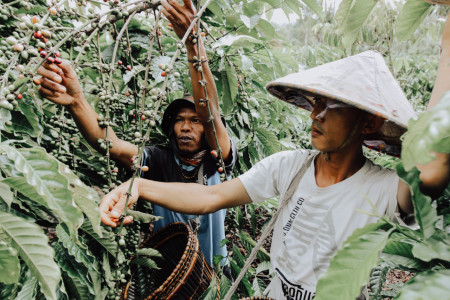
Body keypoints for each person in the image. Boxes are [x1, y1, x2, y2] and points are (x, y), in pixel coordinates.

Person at [100, 12, 450, 299]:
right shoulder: (290, 166)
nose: (316, 115)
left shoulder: (385, 189)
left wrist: (448, 45)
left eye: (330, 106)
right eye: (315, 105)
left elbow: (432, 167)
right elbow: (211, 196)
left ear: (368, 120)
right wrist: (138, 187)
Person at [37, 0, 236, 266]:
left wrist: (193, 45)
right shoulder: (158, 159)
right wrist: (76, 102)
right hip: (169, 272)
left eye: (194, 121)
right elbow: (111, 145)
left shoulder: (217, 160)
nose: (186, 127)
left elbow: (210, 114)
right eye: (179, 120)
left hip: (214, 274)